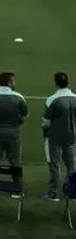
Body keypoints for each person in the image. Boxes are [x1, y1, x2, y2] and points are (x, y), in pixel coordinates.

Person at [42, 72, 76, 201]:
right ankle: (73, 193)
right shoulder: (75, 98)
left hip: (55, 137)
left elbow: (46, 121)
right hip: (72, 136)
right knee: (71, 164)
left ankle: (53, 193)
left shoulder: (52, 99)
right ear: (68, 82)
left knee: (54, 164)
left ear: (55, 83)